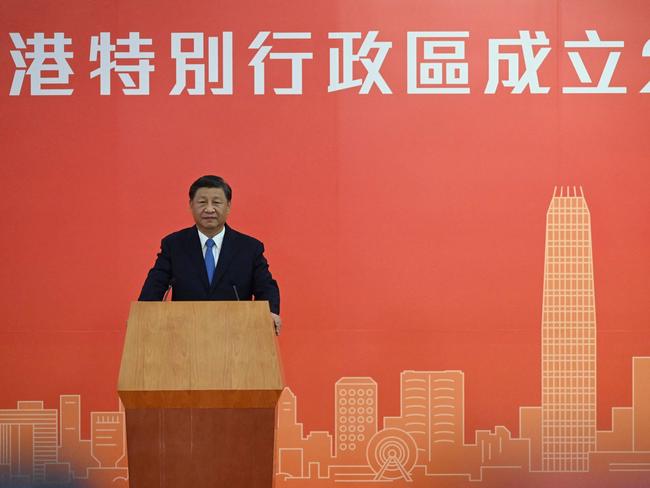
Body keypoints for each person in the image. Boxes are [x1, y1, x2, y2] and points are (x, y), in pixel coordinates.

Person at [138, 175, 282, 334]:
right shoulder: (174, 244)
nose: (209, 209)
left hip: (236, 336)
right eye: (202, 202)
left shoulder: (249, 248)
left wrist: (270, 312)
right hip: (184, 334)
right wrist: (142, 315)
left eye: (216, 202)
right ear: (191, 205)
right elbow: (156, 283)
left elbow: (265, 285)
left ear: (228, 206)